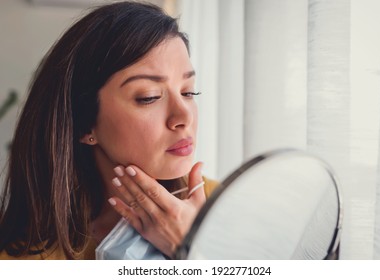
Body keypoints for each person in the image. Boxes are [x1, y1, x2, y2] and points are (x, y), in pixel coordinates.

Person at [0, 1, 218, 260]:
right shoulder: (28, 259)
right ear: (84, 124)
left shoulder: (231, 208)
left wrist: (191, 250)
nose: (183, 116)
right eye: (149, 97)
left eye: (188, 92)